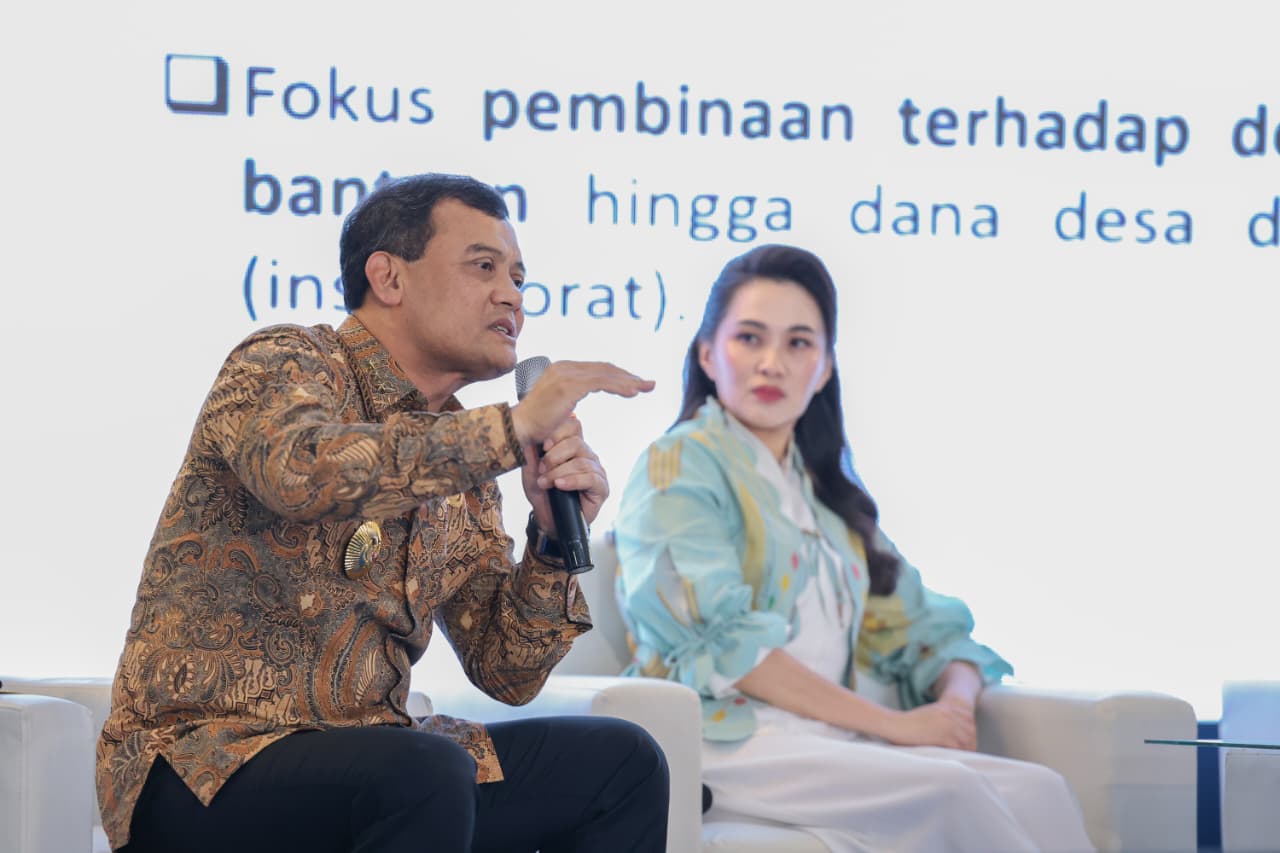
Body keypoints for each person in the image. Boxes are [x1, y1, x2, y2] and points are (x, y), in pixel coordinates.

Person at [96, 173, 669, 853]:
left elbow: (506, 669)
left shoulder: (467, 471)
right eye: (483, 267)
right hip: (205, 764)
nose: (512, 295)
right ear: (389, 277)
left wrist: (549, 536)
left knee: (622, 764)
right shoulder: (284, 362)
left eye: (519, 278)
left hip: (378, 761)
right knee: (421, 770)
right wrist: (511, 430)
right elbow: (302, 471)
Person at [613, 244, 1094, 852]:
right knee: (954, 791)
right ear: (708, 353)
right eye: (749, 338)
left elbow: (928, 630)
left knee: (1040, 790)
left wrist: (954, 706)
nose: (772, 364)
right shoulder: (677, 465)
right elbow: (728, 648)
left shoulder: (825, 499)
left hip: (822, 740)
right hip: (721, 738)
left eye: (798, 343)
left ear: (825, 368)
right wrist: (897, 726)